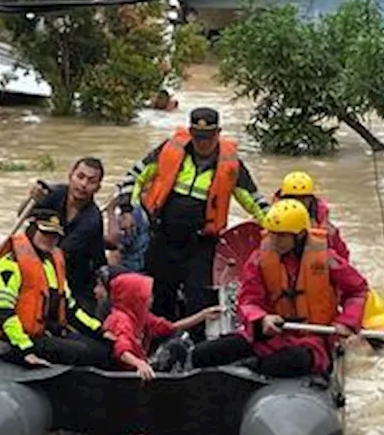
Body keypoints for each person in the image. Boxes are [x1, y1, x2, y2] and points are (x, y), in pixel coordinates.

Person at [115, 107, 269, 338]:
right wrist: (126, 209)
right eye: (197, 137)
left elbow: (255, 202)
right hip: (164, 238)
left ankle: (196, 349)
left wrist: (278, 228)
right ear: (190, 132)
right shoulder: (169, 151)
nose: (202, 143)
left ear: (218, 133)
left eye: (207, 138)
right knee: (157, 296)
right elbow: (134, 176)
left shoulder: (231, 165)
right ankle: (153, 345)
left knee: (199, 298)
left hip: (201, 245)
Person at [182, 199, 370, 378]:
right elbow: (248, 300)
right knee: (204, 353)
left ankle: (246, 369)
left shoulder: (327, 259)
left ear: (299, 235)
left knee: (295, 360)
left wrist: (346, 321)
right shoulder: (259, 260)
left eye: (281, 235)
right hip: (269, 335)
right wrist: (261, 318)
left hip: (313, 339)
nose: (273, 240)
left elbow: (358, 290)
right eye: (271, 233)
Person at [0, 209, 109, 368]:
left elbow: (70, 308)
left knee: (99, 350)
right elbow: (4, 312)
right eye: (45, 233)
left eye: (55, 235)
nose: (50, 239)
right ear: (32, 230)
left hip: (43, 334)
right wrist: (26, 350)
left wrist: (99, 331)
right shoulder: (11, 264)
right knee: (80, 353)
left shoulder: (51, 264)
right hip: (16, 343)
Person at [93, 266, 223, 380]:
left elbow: (170, 327)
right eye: (146, 297)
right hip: (127, 377)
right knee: (175, 347)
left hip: (139, 371)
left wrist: (203, 315)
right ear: (134, 297)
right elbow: (121, 349)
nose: (151, 300)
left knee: (181, 340)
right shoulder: (120, 319)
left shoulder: (140, 316)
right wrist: (139, 364)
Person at [27, 157, 108, 312]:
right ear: (70, 176)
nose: (83, 184)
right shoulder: (54, 193)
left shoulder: (92, 219)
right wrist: (32, 199)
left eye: (91, 181)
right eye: (80, 177)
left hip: (77, 279)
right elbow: (23, 215)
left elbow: (60, 253)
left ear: (98, 187)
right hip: (45, 264)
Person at [271, 171, 350, 261]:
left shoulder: (327, 229)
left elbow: (342, 257)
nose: (298, 202)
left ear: (311, 199)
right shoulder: (270, 222)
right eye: (293, 197)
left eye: (303, 198)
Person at [104, 200, 149, 273]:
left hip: (133, 267)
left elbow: (112, 240)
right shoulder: (139, 212)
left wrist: (110, 211)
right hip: (137, 263)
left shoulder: (132, 218)